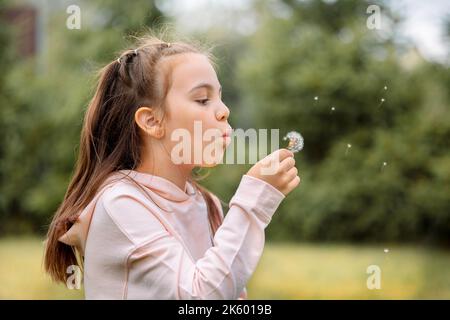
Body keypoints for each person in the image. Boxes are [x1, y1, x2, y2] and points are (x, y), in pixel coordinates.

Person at [43, 33, 300, 299]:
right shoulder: (120, 203)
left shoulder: (206, 203)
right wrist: (254, 203)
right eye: (202, 99)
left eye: (220, 97)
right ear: (152, 121)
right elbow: (197, 298)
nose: (224, 110)